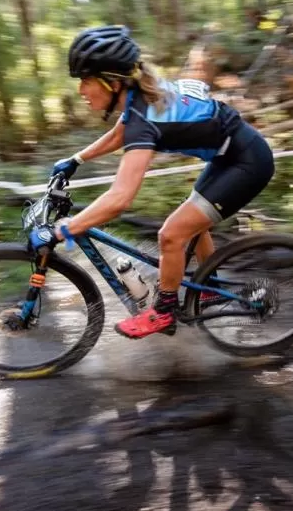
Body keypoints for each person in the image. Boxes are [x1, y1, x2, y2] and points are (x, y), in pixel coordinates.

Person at [50, 25, 275, 339]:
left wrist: (66, 228)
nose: (81, 90)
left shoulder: (144, 120)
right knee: (191, 222)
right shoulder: (140, 97)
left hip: (248, 163)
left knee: (171, 234)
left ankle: (164, 312)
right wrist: (76, 160)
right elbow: (121, 133)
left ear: (112, 82)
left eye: (86, 81)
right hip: (232, 156)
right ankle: (210, 289)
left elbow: (120, 198)